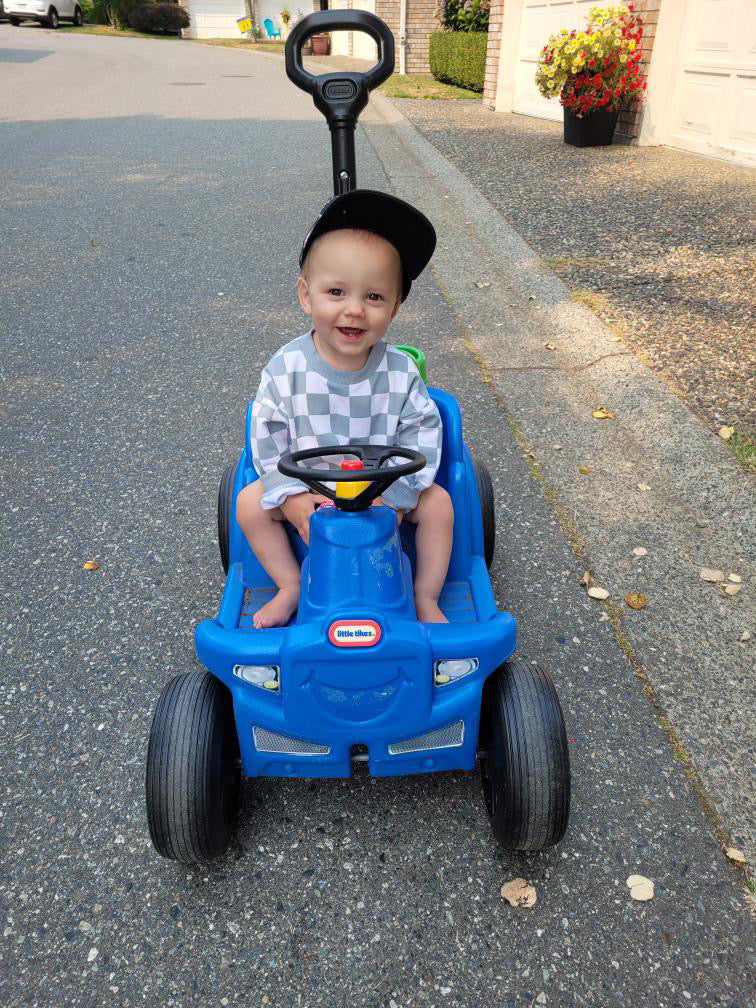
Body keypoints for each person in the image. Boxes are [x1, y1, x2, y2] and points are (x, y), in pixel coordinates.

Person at [235, 190, 454, 629]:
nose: (354, 309)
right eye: (336, 291)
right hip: (311, 490)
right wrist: (292, 496)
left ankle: (425, 596)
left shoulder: (400, 372)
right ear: (306, 295)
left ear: (394, 308)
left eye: (374, 297)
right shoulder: (285, 369)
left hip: (385, 490)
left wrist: (398, 498)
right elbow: (267, 439)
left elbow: (421, 435)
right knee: (248, 504)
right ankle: (290, 585)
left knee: (441, 505)